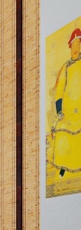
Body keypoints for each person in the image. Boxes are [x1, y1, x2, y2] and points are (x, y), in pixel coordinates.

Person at [50, 27, 81, 178]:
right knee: (62, 133)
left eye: (78, 44)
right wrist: (59, 110)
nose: (76, 48)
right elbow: (59, 91)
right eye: (73, 44)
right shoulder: (66, 67)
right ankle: (63, 166)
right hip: (68, 110)